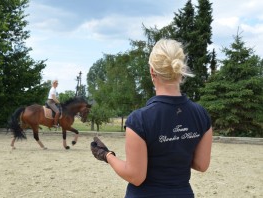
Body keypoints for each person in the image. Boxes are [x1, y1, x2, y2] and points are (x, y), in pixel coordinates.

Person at [90, 39, 213, 197]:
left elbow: (136, 176)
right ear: (180, 70)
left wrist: (107, 155)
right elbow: (201, 165)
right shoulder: (201, 114)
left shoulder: (139, 120)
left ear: (152, 71)